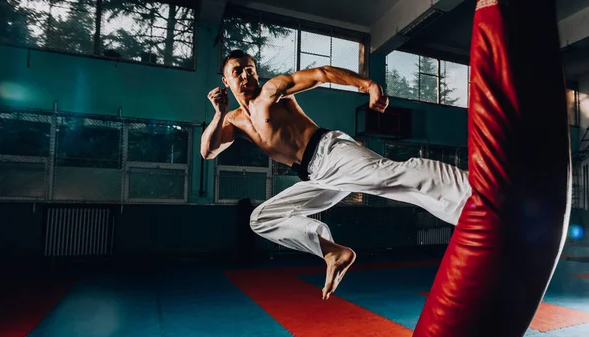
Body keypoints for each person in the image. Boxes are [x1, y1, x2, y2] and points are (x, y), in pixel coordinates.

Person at [201, 50, 471, 300]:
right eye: (238, 71)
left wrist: (367, 85)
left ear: (257, 73)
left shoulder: (271, 91)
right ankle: (333, 253)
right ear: (226, 80)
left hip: (329, 152)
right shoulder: (233, 120)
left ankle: (470, 193)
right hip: (314, 177)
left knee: (392, 177)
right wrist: (219, 113)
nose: (246, 76)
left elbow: (322, 73)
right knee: (261, 219)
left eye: (250, 69)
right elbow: (208, 151)